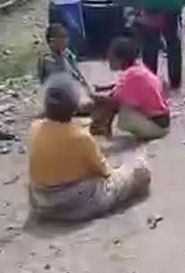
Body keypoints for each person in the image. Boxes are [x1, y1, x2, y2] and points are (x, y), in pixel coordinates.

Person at [28, 74, 151, 222]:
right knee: (138, 171)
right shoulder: (81, 137)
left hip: (41, 201)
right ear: (74, 109)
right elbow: (105, 172)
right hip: (76, 202)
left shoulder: (34, 128)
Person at [90, 37, 170, 141]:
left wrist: (93, 96)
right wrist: (103, 89)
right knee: (116, 101)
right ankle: (102, 127)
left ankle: (101, 128)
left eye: (110, 57)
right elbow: (120, 87)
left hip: (157, 127)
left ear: (121, 59)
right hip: (162, 121)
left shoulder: (131, 75)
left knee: (114, 104)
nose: (108, 60)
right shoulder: (137, 69)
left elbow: (113, 98)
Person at [37, 22, 96, 114]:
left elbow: (77, 74)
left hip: (73, 90)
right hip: (58, 94)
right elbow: (60, 81)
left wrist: (88, 88)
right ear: (52, 41)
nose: (66, 40)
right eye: (62, 38)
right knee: (87, 106)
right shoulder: (48, 59)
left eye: (66, 37)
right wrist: (60, 58)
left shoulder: (68, 54)